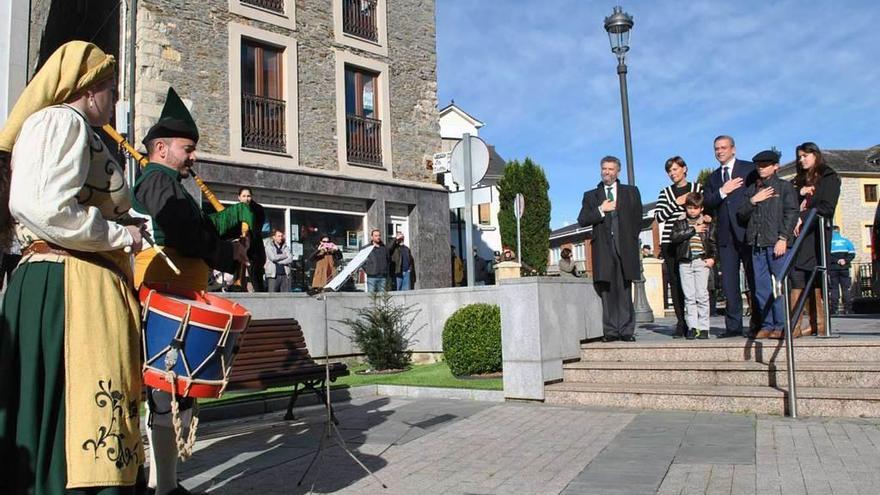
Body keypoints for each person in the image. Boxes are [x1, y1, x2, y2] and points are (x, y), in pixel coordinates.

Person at [0, 41, 145, 494]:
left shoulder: (81, 128)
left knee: (81, 403)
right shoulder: (60, 120)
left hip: (79, 280)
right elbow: (41, 205)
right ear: (88, 89)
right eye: (111, 90)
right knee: (71, 404)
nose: (115, 99)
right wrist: (122, 235)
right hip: (66, 284)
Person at [132, 87, 249, 495]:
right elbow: (185, 234)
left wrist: (232, 242)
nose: (193, 156)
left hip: (180, 294)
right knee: (162, 394)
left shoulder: (170, 182)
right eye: (188, 148)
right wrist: (225, 253)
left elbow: (196, 230)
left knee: (171, 396)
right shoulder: (155, 180)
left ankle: (162, 483)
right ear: (161, 148)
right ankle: (162, 487)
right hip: (164, 297)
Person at [577, 156, 643, 342]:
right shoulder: (591, 195)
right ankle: (611, 331)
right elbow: (582, 220)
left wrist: (630, 238)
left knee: (624, 289)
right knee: (607, 291)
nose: (607, 172)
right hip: (604, 250)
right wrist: (600, 209)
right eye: (604, 168)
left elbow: (638, 219)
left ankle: (626, 331)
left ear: (617, 171)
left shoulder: (631, 192)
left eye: (611, 169)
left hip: (625, 248)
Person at [737, 150, 798, 339]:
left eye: (765, 165)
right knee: (761, 288)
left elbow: (791, 213)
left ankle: (781, 325)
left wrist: (783, 238)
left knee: (779, 286)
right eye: (759, 165)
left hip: (776, 244)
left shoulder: (784, 187)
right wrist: (754, 200)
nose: (761, 168)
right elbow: (741, 214)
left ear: (775, 166)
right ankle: (766, 324)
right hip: (757, 244)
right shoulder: (752, 190)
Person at [703, 135, 758, 338]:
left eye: (723, 147)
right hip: (725, 236)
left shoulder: (748, 169)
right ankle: (733, 327)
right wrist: (722, 192)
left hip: (748, 231)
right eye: (716, 148)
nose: (720, 151)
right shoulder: (713, 178)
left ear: (733, 149)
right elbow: (708, 201)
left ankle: (758, 324)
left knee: (754, 279)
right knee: (729, 283)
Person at [790, 142, 841, 336]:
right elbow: (788, 203)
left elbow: (827, 207)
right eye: (800, 157)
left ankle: (818, 322)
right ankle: (795, 324)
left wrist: (802, 217)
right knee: (797, 276)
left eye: (805, 156)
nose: (802, 160)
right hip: (800, 237)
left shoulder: (829, 176)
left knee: (814, 276)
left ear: (816, 155)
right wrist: (799, 193)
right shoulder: (799, 181)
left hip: (816, 234)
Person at [654, 156, 703, 338]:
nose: (672, 173)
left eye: (675, 169)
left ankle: (696, 322)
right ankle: (681, 322)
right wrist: (676, 202)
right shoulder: (665, 192)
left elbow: (705, 210)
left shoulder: (697, 188)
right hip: (671, 241)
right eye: (669, 171)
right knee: (675, 283)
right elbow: (659, 217)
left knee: (694, 284)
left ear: (685, 169)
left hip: (693, 241)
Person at [669, 193, 716, 339]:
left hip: (701, 261)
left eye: (695, 208)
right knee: (689, 296)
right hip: (685, 261)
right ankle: (692, 326)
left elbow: (713, 241)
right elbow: (675, 237)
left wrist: (713, 258)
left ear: (701, 208)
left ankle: (703, 327)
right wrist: (693, 230)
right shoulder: (680, 222)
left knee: (702, 295)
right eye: (689, 208)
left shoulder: (707, 223)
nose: (692, 211)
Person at [239, 187, 267, 292]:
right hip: (240, 245)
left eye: (248, 196)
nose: (246, 198)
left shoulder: (258, 209)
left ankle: (260, 293)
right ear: (239, 197)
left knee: (256, 273)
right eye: (244, 196)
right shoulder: (235, 210)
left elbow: (257, 228)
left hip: (254, 246)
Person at [828, 226, 856, 315]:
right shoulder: (846, 241)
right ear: (839, 231)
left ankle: (834, 309)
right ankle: (848, 309)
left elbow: (827, 255)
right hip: (844, 268)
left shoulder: (828, 242)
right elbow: (852, 253)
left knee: (834, 289)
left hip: (833, 268)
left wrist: (836, 261)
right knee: (845, 288)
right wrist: (845, 260)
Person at [363, 228, 389, 293]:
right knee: (371, 297)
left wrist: (385, 270)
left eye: (379, 235)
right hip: (372, 277)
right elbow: (362, 262)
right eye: (376, 236)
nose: (378, 237)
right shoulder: (366, 248)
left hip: (383, 277)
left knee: (383, 298)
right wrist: (368, 270)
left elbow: (388, 260)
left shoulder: (384, 248)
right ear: (372, 237)